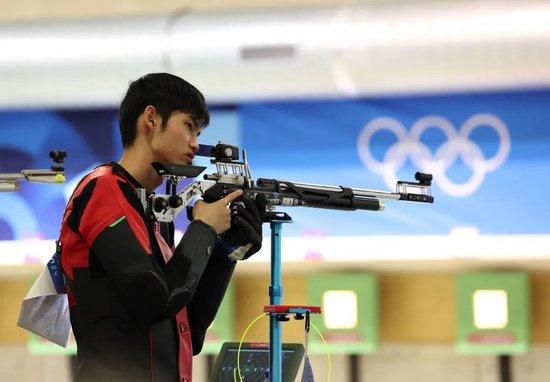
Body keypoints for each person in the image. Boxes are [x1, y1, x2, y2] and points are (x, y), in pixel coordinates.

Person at [59, 73, 266, 382]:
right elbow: (154, 301)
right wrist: (204, 229)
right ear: (151, 118)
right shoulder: (103, 189)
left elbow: (187, 329)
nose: (195, 143)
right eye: (189, 126)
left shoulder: (152, 211)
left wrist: (225, 252)